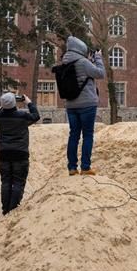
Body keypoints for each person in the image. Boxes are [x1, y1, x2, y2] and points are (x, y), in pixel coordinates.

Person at [60, 36, 106, 175]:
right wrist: (98, 58)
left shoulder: (65, 63)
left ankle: (72, 168)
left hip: (71, 105)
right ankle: (85, 167)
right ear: (81, 49)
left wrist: (90, 61)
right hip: (87, 105)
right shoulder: (83, 62)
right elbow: (100, 73)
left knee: (73, 135)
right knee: (87, 135)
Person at [0, 92, 40, 215]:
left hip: (3, 153)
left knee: (6, 181)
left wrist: (2, 106)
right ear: (14, 103)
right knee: (18, 181)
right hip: (20, 152)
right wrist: (28, 103)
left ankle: (5, 209)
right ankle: (13, 210)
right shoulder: (22, 116)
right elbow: (36, 116)